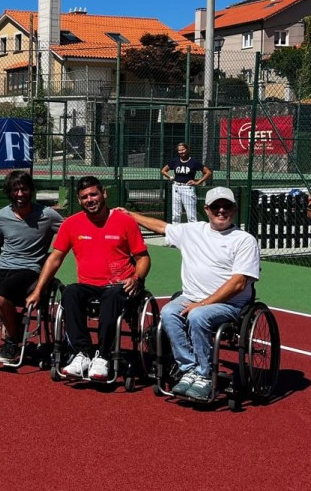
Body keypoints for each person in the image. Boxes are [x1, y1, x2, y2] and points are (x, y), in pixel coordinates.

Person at [118, 187, 260, 400]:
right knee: (168, 313)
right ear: (206, 209)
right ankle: (189, 369)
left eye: (226, 206)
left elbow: (238, 283)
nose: (221, 210)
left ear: (235, 208)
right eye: (215, 206)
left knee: (197, 316)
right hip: (191, 297)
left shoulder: (244, 240)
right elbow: (162, 227)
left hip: (230, 304)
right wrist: (130, 215)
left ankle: (205, 375)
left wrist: (202, 304)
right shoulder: (193, 230)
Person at [27, 176, 150, 381]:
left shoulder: (125, 221)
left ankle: (102, 356)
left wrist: (137, 277)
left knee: (112, 295)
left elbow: (143, 258)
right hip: (89, 285)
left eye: (93, 194)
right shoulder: (71, 224)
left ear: (104, 194)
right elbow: (55, 258)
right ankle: (82, 354)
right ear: (79, 199)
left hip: (121, 285)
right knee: (70, 292)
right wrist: (38, 290)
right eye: (84, 197)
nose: (90, 200)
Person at [0, 171, 63, 362]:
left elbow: (72, 230)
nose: (20, 194)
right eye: (15, 190)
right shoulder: (0, 216)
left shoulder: (48, 215)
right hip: (3, 268)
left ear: (31, 190)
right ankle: (13, 323)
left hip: (29, 270)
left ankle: (12, 341)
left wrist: (55, 254)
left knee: (1, 295)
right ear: (9, 192)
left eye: (24, 189)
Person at [161, 142, 212, 224]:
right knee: (175, 214)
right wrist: (170, 177)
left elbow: (208, 172)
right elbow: (163, 170)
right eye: (179, 150)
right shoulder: (175, 161)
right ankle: (176, 232)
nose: (181, 152)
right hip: (176, 187)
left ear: (187, 150)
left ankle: (193, 233)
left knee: (191, 214)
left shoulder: (194, 162)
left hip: (187, 188)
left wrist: (198, 182)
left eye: (183, 149)